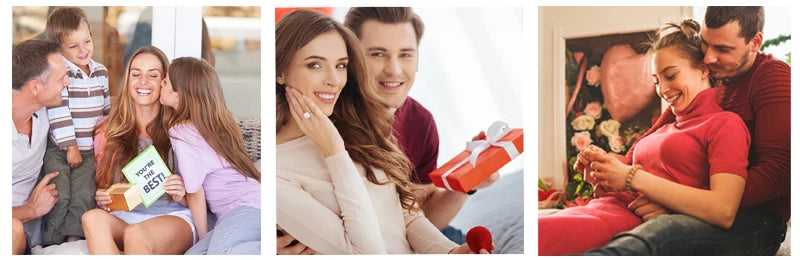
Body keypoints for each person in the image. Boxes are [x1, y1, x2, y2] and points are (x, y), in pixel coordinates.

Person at [275, 9, 487, 255]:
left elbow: (404, 215)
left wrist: (450, 252)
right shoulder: (277, 171)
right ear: (280, 71)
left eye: (341, 65)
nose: (334, 79)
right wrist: (335, 151)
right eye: (315, 65)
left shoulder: (359, 123)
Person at [583, 6, 790, 255]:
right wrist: (606, 168)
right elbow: (645, 144)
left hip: (757, 220)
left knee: (662, 231)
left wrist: (678, 203)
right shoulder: (712, 79)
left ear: (755, 42)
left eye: (723, 49)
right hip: (707, 203)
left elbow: (778, 174)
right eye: (706, 44)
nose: (708, 58)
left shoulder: (775, 79)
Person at [539, 19, 751, 256]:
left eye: (670, 75)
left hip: (633, 227)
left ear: (703, 69)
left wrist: (631, 178)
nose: (661, 90)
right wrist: (600, 174)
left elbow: (723, 209)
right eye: (656, 81)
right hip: (600, 209)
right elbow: (630, 185)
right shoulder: (663, 129)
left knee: (540, 234)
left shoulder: (725, 124)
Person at [81, 46, 196, 255]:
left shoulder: (182, 130)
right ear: (128, 80)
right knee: (91, 218)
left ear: (165, 83)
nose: (143, 82)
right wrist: (104, 198)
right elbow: (106, 187)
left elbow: (204, 196)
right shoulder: (107, 130)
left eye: (153, 75)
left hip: (173, 217)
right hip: (127, 216)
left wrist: (182, 195)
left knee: (136, 233)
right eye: (136, 74)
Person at [160, 57, 261, 255]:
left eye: (165, 82)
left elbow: (195, 193)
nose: (161, 84)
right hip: (240, 211)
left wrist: (204, 235)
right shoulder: (212, 124)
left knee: (219, 254)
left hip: (248, 207)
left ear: (179, 97)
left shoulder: (182, 133)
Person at [40, 7, 110, 246]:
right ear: (58, 49)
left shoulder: (101, 72)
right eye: (73, 46)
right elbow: (58, 111)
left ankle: (73, 240)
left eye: (87, 41)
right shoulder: (61, 73)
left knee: (83, 193)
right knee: (60, 193)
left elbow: (106, 111)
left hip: (89, 150)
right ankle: (51, 242)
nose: (83, 50)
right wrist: (71, 146)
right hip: (61, 148)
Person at [12, 39, 70, 255]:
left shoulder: (44, 111)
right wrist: (31, 209)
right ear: (35, 87)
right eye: (61, 78)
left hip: (30, 238)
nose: (68, 83)